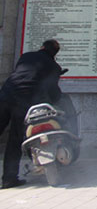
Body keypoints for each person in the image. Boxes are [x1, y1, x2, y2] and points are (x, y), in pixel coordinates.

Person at [0, 39, 63, 188]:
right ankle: (9, 178)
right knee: (14, 140)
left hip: (5, 94)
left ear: (41, 47)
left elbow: (20, 73)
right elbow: (53, 91)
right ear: (55, 54)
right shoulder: (54, 67)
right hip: (23, 102)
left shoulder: (26, 56)